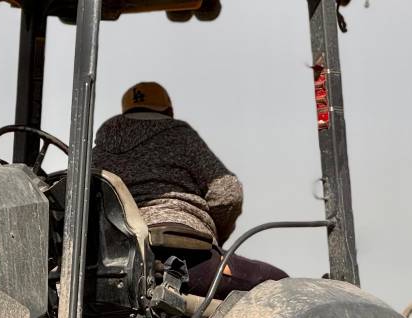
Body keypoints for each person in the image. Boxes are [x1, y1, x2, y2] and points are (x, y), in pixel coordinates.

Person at [92, 81, 285, 299]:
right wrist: (212, 236)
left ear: (125, 114)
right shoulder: (178, 135)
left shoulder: (96, 154)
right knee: (281, 285)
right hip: (184, 258)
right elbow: (227, 193)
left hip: (112, 267)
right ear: (169, 111)